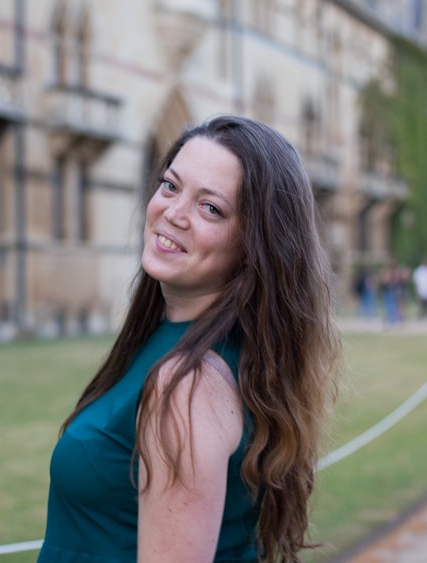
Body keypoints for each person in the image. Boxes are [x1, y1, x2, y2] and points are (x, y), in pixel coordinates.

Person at [37, 115, 343, 563]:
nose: (173, 213)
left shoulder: (188, 384)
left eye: (210, 208)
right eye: (170, 185)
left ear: (254, 244)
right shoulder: (177, 344)